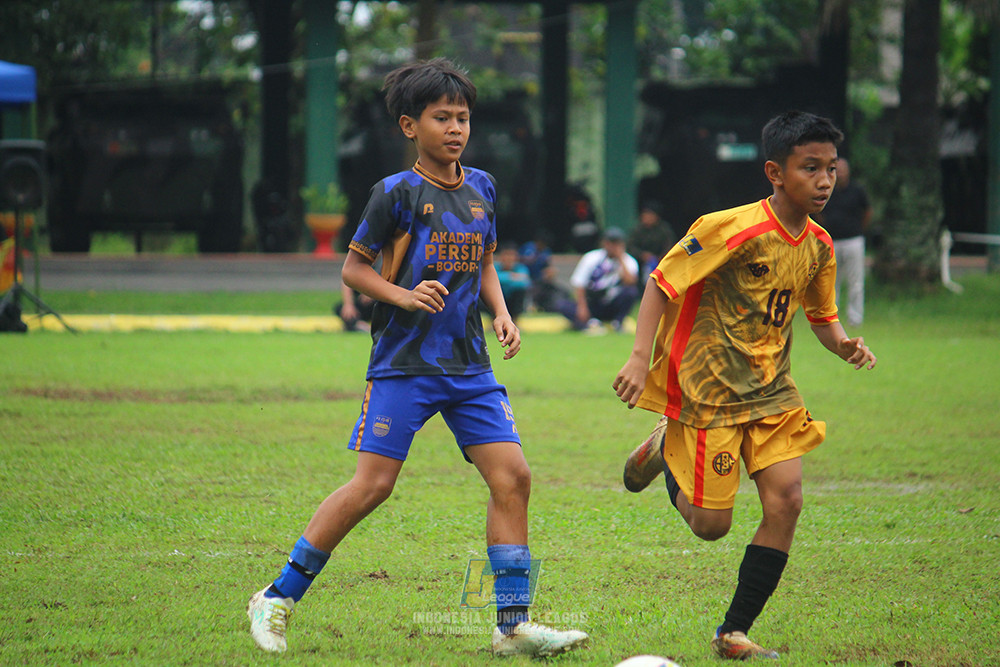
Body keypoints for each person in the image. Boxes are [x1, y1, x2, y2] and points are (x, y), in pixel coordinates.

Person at [246, 58, 588, 658]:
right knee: (373, 486)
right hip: (404, 365)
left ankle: (512, 626)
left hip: (470, 368)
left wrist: (502, 312)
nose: (456, 128)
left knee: (513, 477)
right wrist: (403, 294)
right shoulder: (394, 195)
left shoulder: (482, 187)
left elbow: (483, 260)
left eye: (463, 118)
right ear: (410, 126)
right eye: (441, 117)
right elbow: (352, 268)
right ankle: (276, 596)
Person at [612, 111, 877, 661]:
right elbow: (661, 284)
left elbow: (821, 316)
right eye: (811, 168)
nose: (825, 180)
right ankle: (667, 445)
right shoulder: (726, 229)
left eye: (831, 168)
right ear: (776, 173)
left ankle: (732, 631)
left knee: (787, 501)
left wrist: (844, 343)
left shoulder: (821, 245)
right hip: (709, 395)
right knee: (711, 526)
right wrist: (640, 360)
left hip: (774, 395)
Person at [816, 157, 871, 327]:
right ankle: (832, 317)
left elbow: (867, 211)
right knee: (832, 282)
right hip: (832, 241)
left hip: (853, 239)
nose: (840, 173)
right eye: (836, 170)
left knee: (855, 281)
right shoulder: (826, 190)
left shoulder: (857, 190)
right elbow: (818, 211)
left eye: (842, 170)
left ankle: (855, 318)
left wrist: (860, 229)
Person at [559, 227, 640, 333]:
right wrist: (582, 307)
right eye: (610, 243)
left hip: (612, 302)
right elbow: (579, 283)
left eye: (616, 243)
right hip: (592, 301)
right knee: (562, 305)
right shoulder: (591, 257)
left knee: (631, 292)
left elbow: (630, 281)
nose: (612, 247)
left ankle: (618, 322)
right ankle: (590, 324)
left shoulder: (628, 260)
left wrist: (620, 258)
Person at [627, 200, 677, 278]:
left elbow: (670, 246)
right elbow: (630, 247)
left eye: (650, 215)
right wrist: (642, 255)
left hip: (660, 264)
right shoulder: (637, 229)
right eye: (645, 214)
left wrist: (659, 258)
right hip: (640, 264)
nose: (647, 217)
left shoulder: (664, 230)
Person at [493, 242, 531, 322]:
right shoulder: (493, 267)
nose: (508, 258)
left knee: (520, 292)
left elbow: (524, 282)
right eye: (506, 255)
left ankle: (515, 321)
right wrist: (511, 276)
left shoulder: (521, 268)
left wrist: (503, 279)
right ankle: (493, 320)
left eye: (511, 255)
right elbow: (490, 280)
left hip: (512, 300)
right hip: (496, 301)